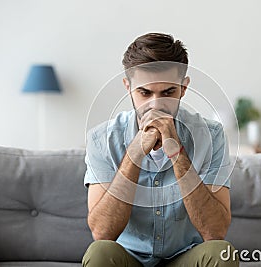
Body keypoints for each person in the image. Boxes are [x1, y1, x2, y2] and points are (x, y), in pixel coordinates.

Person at [82, 32, 239, 267]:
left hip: (185, 256)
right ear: (128, 87)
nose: (155, 105)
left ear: (184, 88)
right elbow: (102, 233)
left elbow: (215, 232)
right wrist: (134, 155)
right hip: (129, 258)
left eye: (168, 92)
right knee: (100, 253)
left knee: (221, 253)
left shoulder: (212, 135)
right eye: (145, 93)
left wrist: (176, 152)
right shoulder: (101, 139)